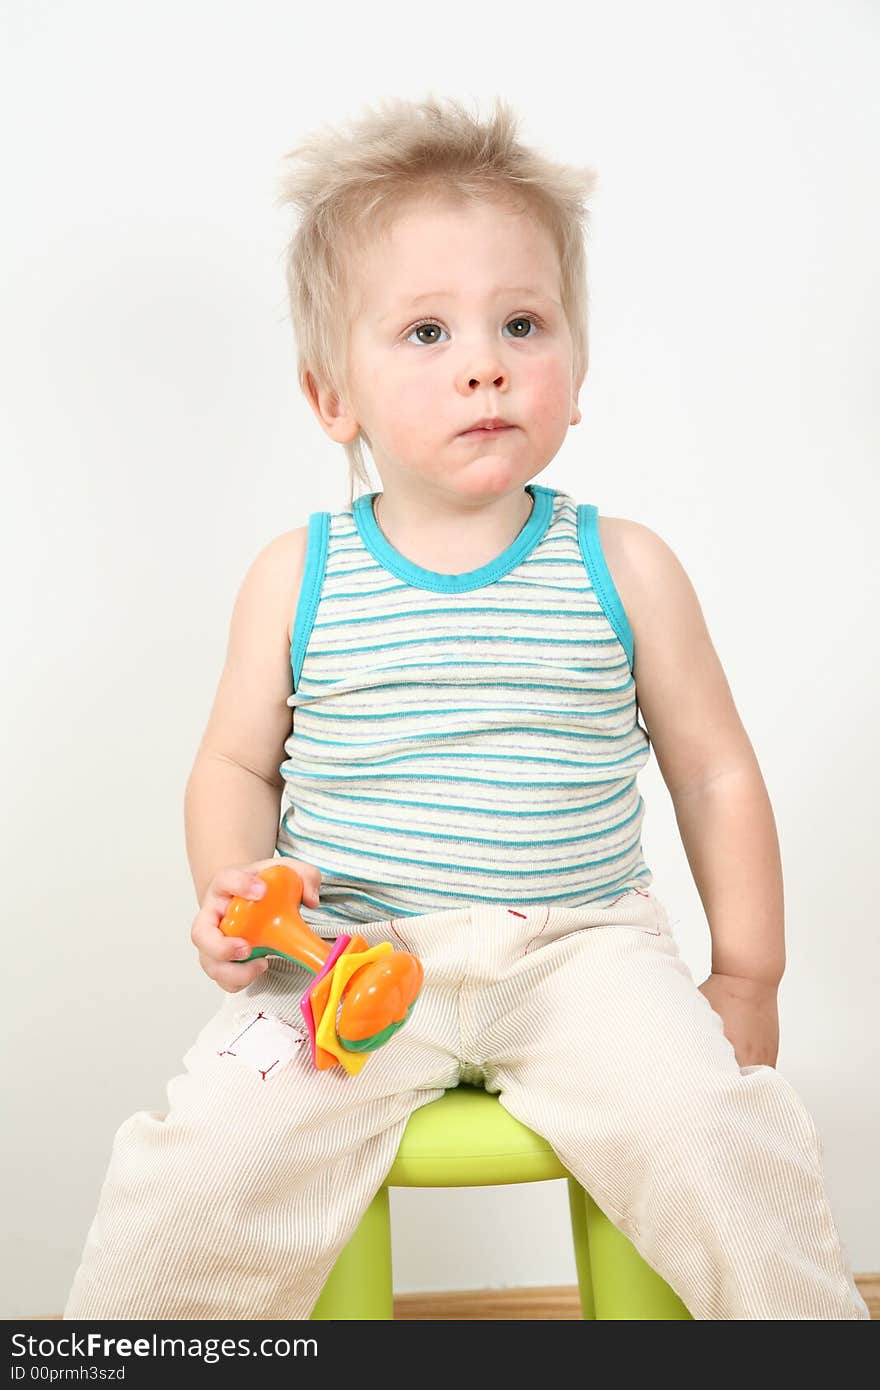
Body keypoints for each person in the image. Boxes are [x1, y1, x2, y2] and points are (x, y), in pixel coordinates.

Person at [63, 94, 870, 1321]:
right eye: (427, 331)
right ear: (333, 397)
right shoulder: (298, 574)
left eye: (522, 323)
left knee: (713, 1134)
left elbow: (714, 772)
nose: (484, 361)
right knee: (201, 1164)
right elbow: (234, 764)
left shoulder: (626, 565)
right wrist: (236, 892)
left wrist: (747, 973)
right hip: (345, 964)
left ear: (577, 371)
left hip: (580, 949)